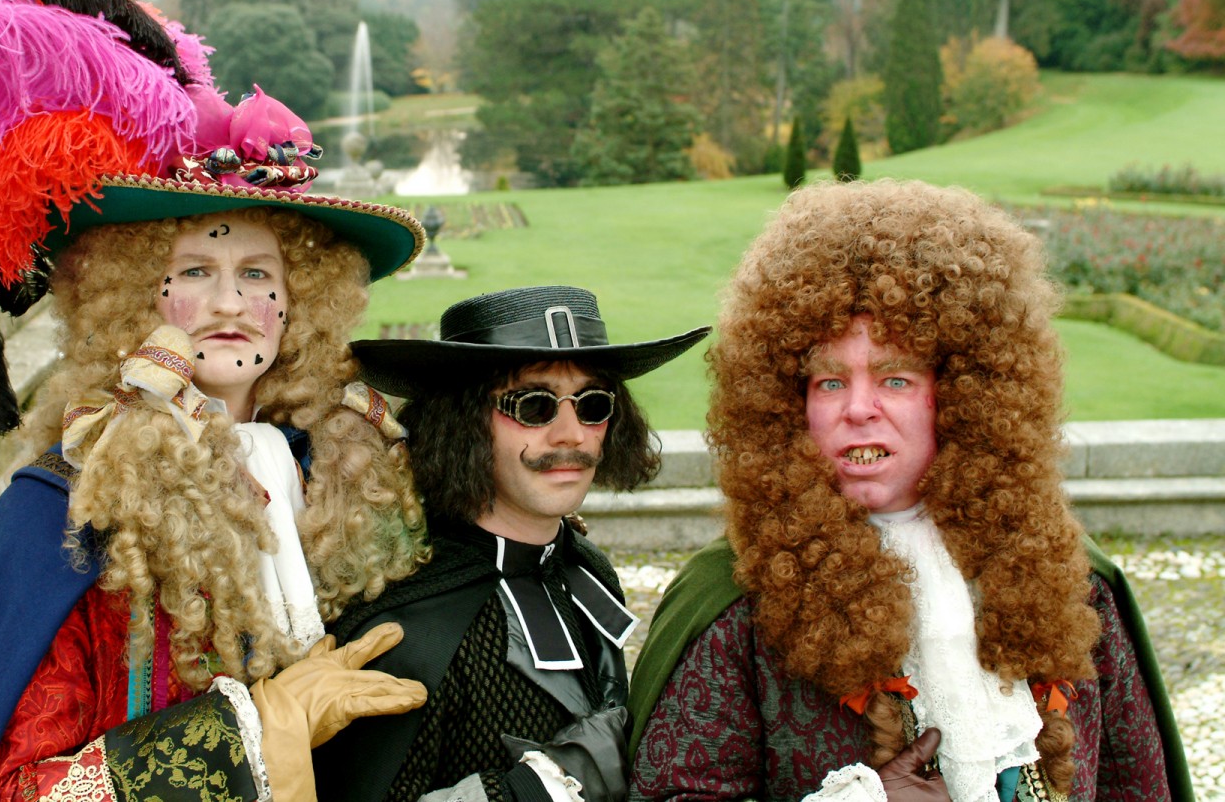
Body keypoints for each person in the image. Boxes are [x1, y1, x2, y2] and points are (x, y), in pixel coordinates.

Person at [0, 0, 432, 800]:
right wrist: (257, 733)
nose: (228, 303)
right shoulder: (60, 519)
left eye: (257, 274)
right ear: (131, 295)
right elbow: (8, 791)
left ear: (300, 303)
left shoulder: (345, 475)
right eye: (194, 272)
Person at [626, 180, 1194, 802]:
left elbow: (1138, 786)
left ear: (962, 396)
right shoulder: (733, 597)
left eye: (895, 379)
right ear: (788, 402)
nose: (859, 408)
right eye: (829, 382)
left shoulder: (1069, 579)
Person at [314, 286, 710, 802]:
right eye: (534, 405)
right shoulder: (411, 634)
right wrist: (529, 791)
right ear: (463, 423)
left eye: (592, 405)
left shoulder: (587, 568)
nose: (571, 434)